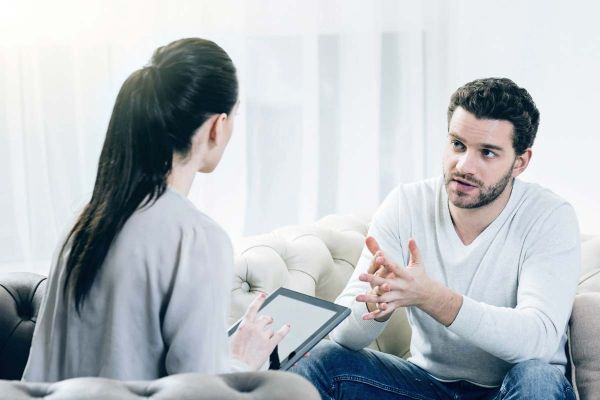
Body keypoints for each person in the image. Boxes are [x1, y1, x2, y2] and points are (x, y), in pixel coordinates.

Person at [291, 78, 580, 399]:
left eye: (487, 153)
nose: (464, 165)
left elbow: (537, 341)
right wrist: (375, 304)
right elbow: (344, 336)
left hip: (513, 388)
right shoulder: (406, 204)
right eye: (458, 145)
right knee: (319, 361)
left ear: (520, 162)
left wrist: (433, 297)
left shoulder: (549, 216)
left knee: (538, 377)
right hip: (426, 385)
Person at [23, 38, 289, 382]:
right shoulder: (196, 238)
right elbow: (200, 392)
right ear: (217, 126)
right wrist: (242, 360)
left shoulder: (84, 218)